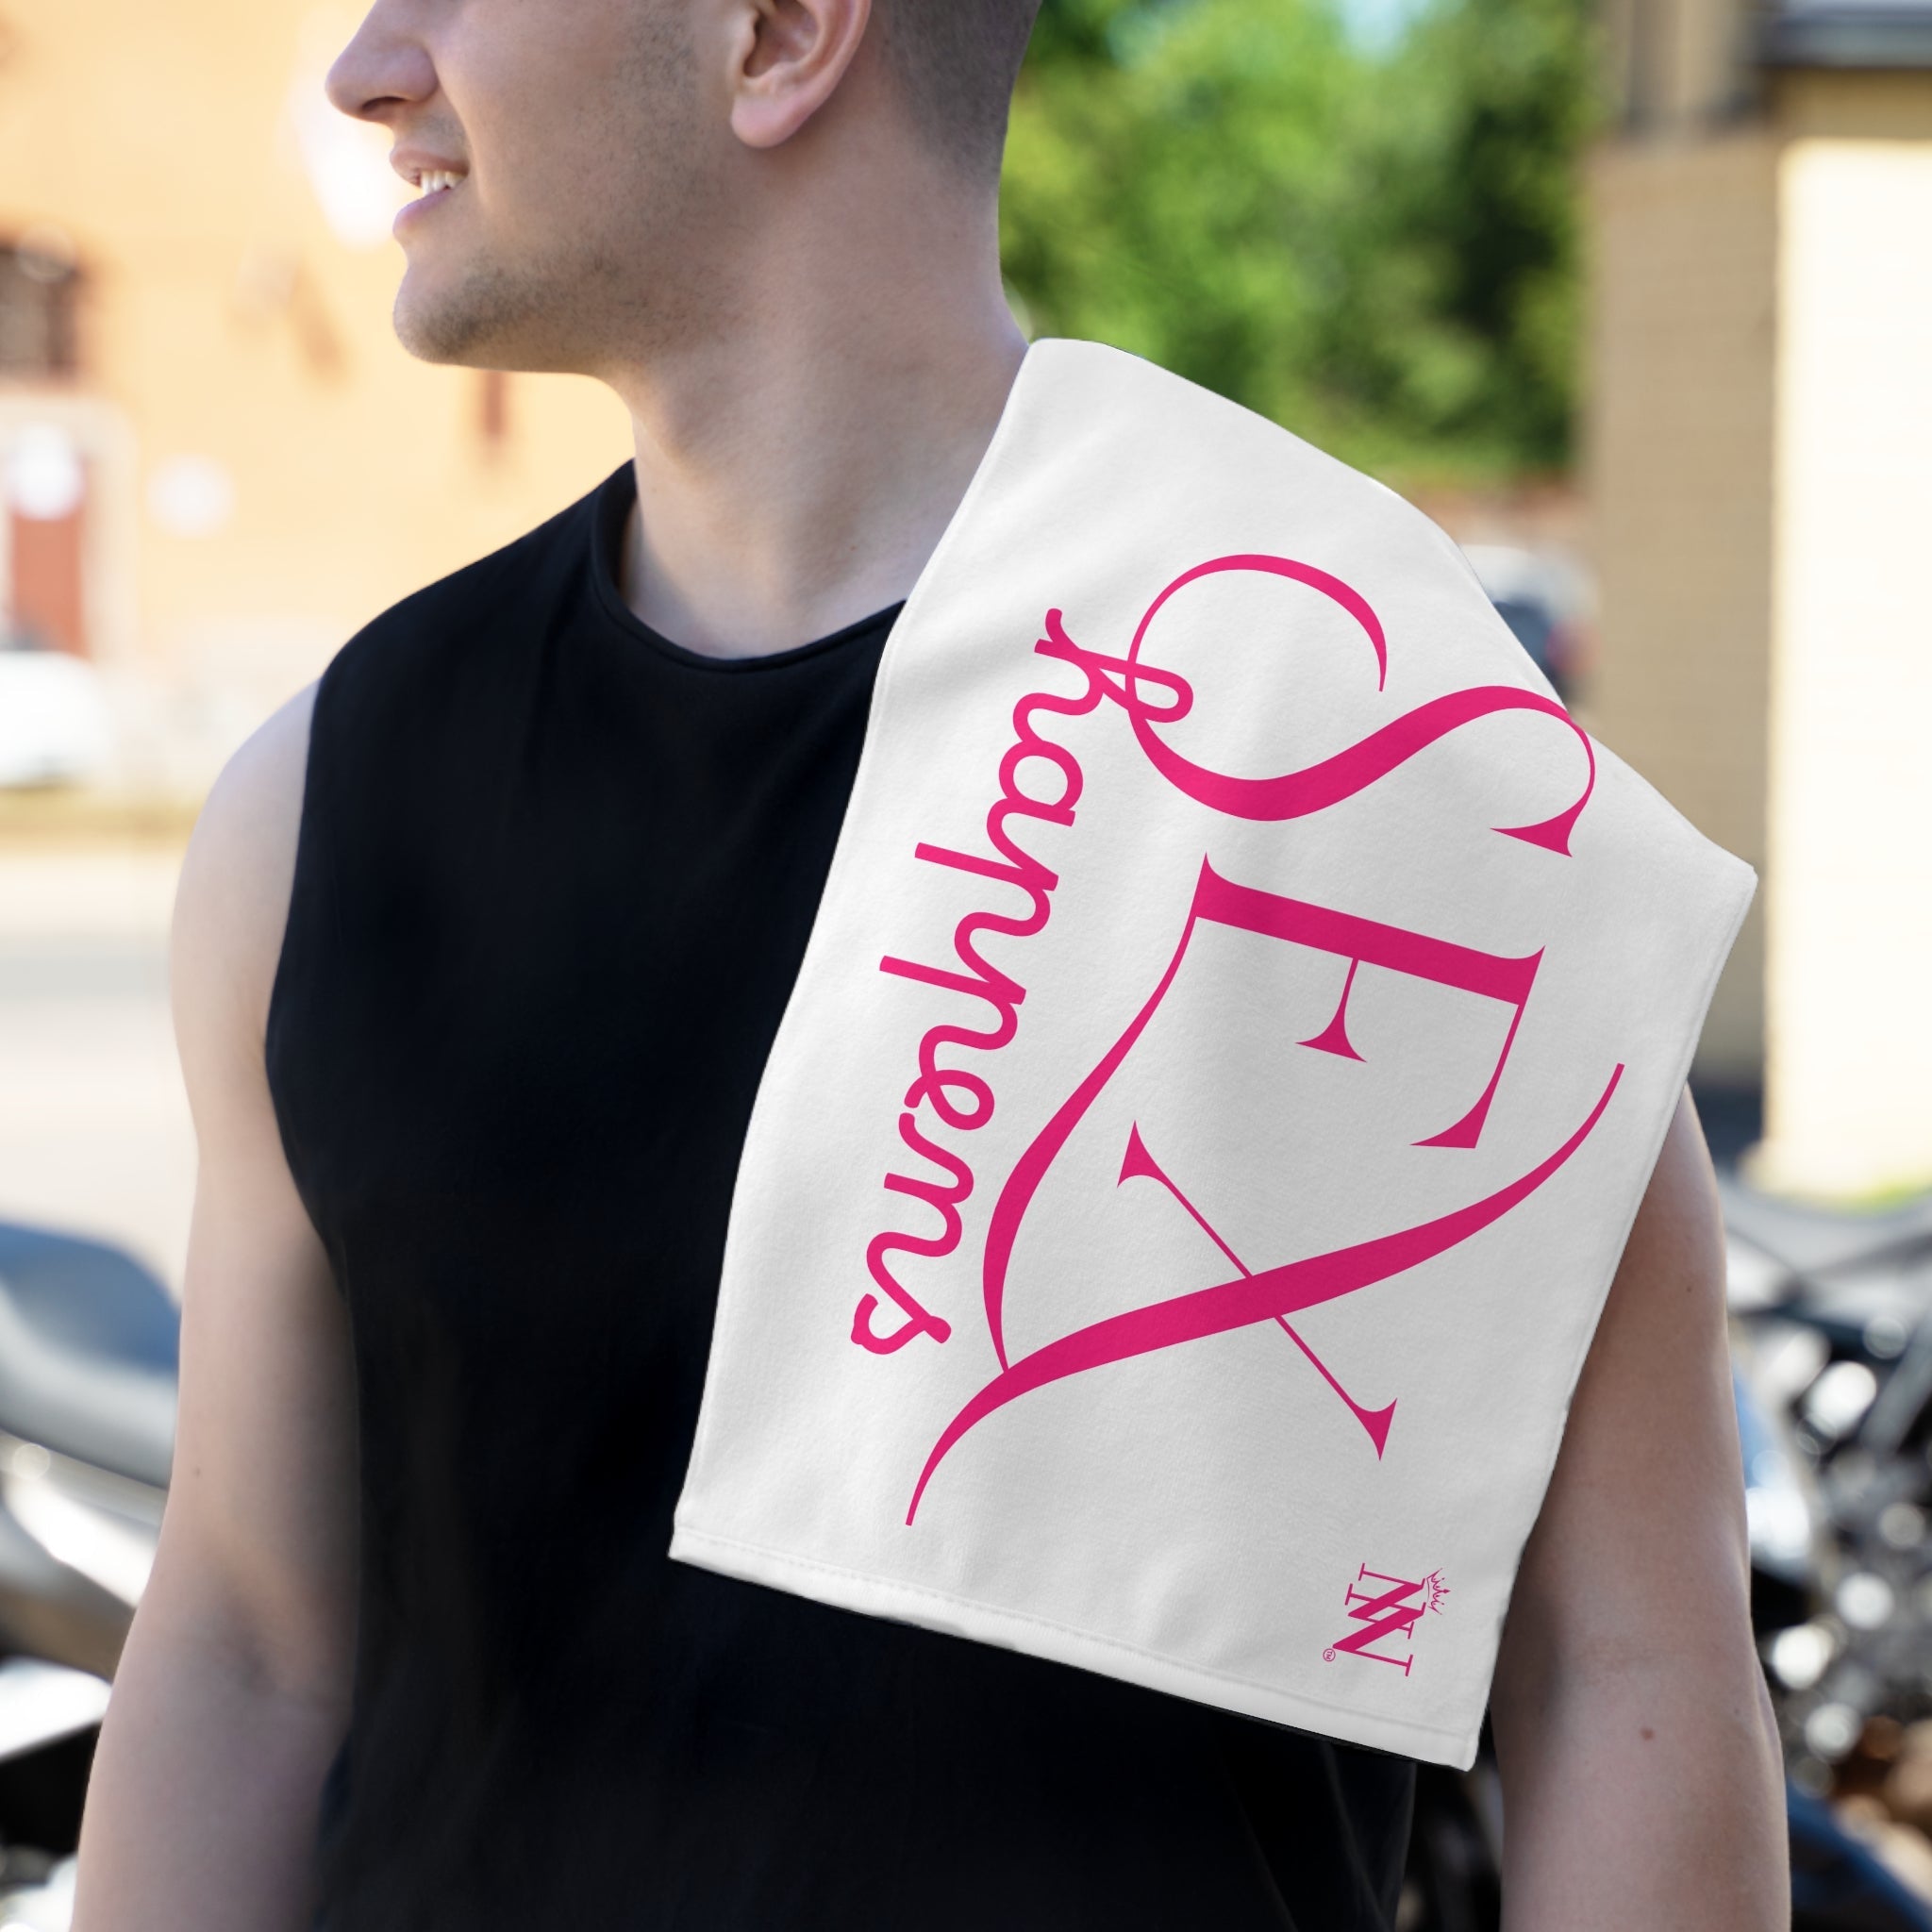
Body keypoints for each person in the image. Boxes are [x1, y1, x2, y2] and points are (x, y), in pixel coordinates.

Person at [72, 0, 1788, 1925]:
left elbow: (1620, 1673)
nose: (371, 65)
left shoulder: (1368, 745)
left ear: (779, 35)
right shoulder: (328, 802)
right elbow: (245, 1650)